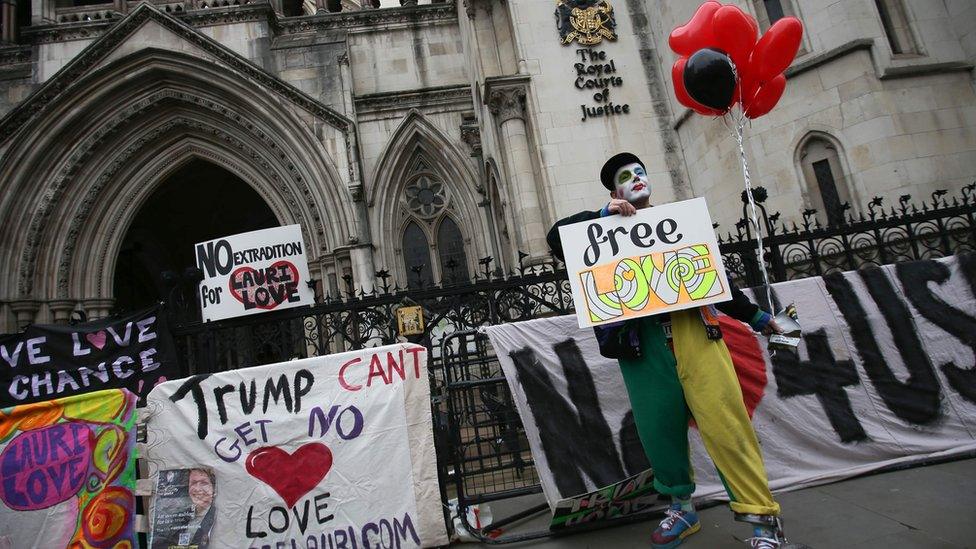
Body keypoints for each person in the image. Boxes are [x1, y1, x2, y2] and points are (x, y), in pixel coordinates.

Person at [547, 152, 790, 549]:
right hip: (642, 349)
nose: (637, 178)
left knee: (728, 428)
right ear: (615, 191)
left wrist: (760, 318)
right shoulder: (599, 227)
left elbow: (715, 281)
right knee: (659, 433)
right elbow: (557, 239)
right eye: (627, 177)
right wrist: (601, 214)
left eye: (640, 172)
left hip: (696, 337)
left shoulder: (680, 225)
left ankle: (763, 523)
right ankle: (682, 507)